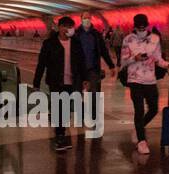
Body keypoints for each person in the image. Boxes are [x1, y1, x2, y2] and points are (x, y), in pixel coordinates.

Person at [121, 13, 169, 156]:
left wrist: (167, 65)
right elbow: (123, 61)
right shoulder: (128, 39)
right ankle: (141, 141)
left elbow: (158, 58)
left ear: (147, 25)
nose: (141, 29)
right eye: (139, 27)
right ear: (135, 26)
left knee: (154, 108)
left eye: (143, 26)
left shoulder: (155, 39)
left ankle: (138, 128)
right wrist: (134, 58)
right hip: (135, 79)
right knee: (139, 110)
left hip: (150, 79)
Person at [33, 16, 86, 152]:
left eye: (71, 27)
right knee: (59, 108)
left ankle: (61, 134)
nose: (69, 29)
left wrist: (85, 79)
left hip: (71, 82)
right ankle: (60, 136)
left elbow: (81, 62)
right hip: (56, 81)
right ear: (60, 27)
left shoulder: (76, 43)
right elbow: (41, 64)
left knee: (66, 109)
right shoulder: (49, 43)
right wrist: (36, 82)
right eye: (66, 26)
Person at [74, 11, 115, 97]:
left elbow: (103, 50)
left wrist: (111, 65)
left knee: (94, 94)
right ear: (81, 19)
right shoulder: (76, 34)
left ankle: (93, 110)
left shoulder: (96, 34)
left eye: (89, 18)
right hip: (78, 70)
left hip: (93, 69)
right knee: (78, 94)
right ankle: (81, 110)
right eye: (85, 18)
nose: (87, 20)